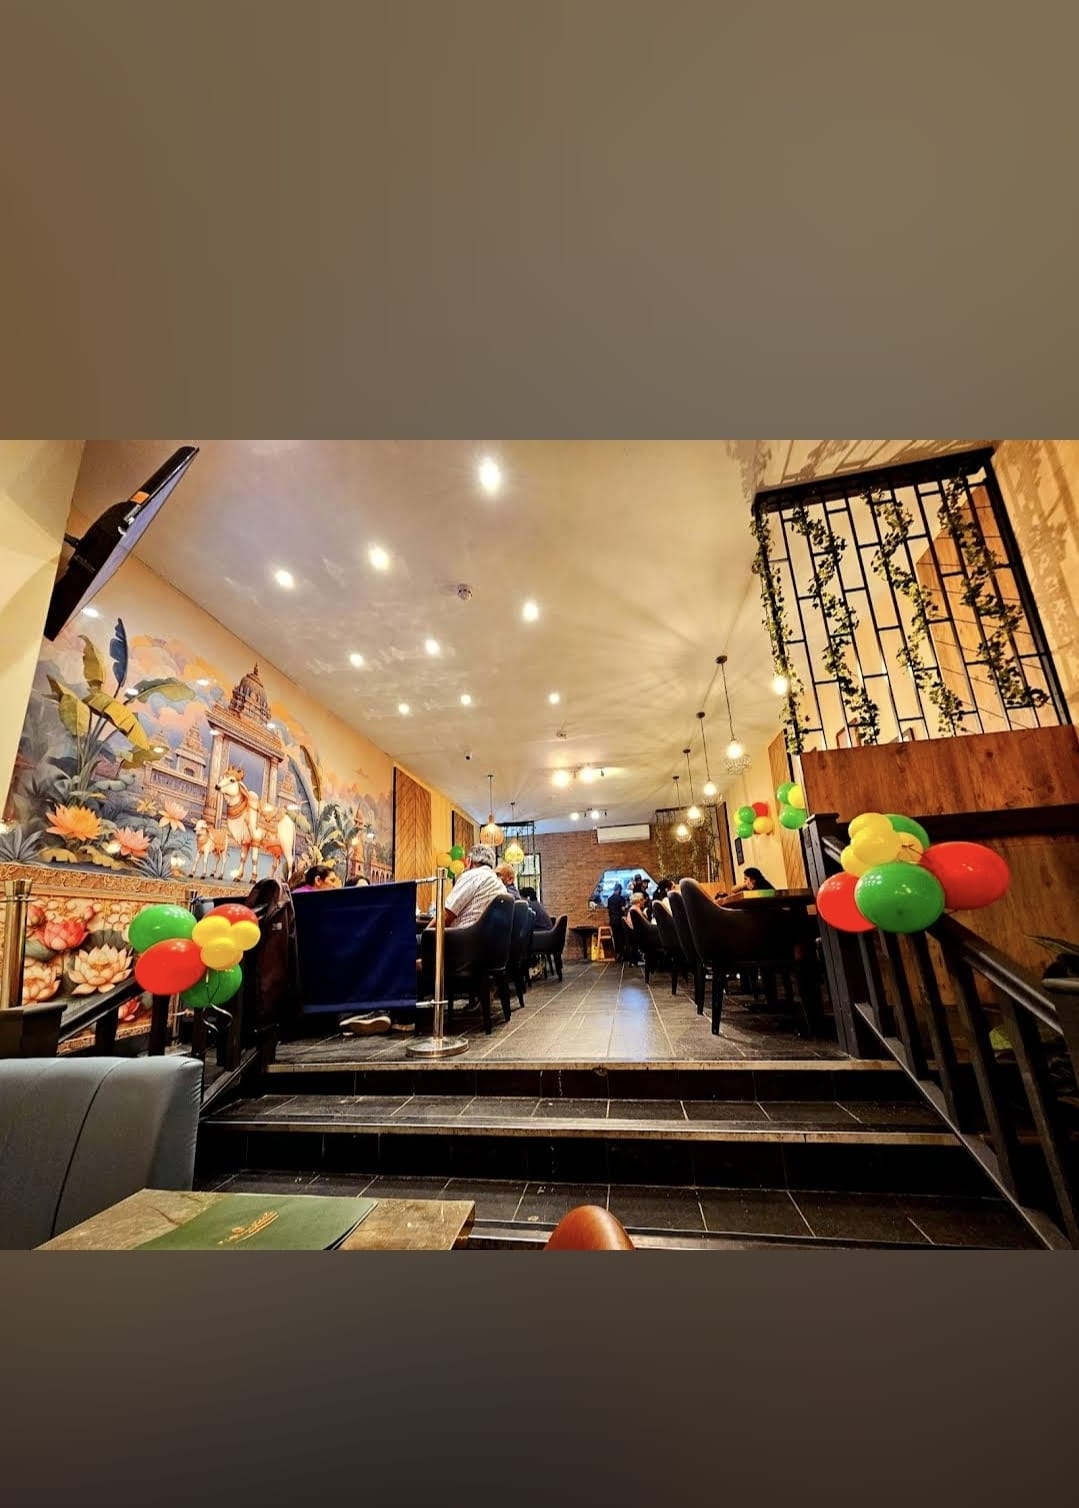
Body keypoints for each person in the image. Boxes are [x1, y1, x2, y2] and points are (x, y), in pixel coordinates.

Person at [438, 843, 505, 929]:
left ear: (469, 861)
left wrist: (426, 932)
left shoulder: (472, 875)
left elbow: (446, 915)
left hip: (463, 934)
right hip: (489, 935)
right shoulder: (499, 884)